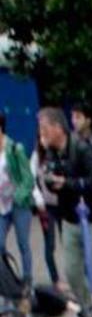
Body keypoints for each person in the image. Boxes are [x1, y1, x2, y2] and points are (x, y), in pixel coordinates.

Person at [37, 107, 92, 317]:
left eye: (44, 128)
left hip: (90, 218)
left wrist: (70, 183)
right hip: (69, 218)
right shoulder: (51, 152)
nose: (42, 133)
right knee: (71, 270)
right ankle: (87, 308)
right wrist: (52, 181)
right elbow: (51, 181)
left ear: (57, 128)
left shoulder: (82, 148)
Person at [0, 111, 36, 286]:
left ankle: (27, 280)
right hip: (1, 205)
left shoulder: (15, 148)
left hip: (19, 204)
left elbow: (28, 179)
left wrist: (18, 196)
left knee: (23, 244)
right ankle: (7, 281)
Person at [30, 133, 62, 287]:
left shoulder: (58, 154)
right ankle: (55, 279)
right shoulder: (36, 157)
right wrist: (38, 200)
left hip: (62, 203)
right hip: (46, 206)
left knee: (70, 241)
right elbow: (32, 181)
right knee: (50, 244)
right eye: (42, 136)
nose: (45, 139)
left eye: (47, 135)